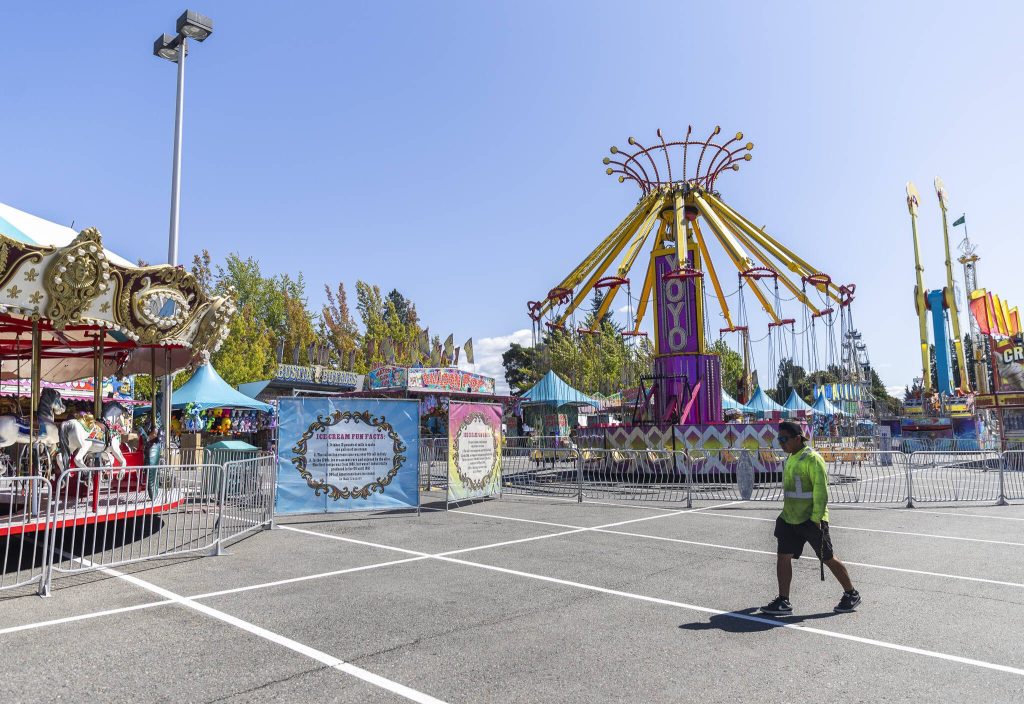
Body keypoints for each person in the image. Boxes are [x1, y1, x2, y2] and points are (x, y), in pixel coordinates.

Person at [761, 421, 861, 615]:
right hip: (790, 518)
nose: (781, 443)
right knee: (783, 557)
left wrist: (816, 519)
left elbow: (821, 492)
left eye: (784, 439)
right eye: (779, 439)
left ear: (798, 438)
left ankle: (851, 593)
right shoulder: (791, 457)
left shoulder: (813, 459)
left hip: (811, 520)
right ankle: (783, 600)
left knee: (828, 557)